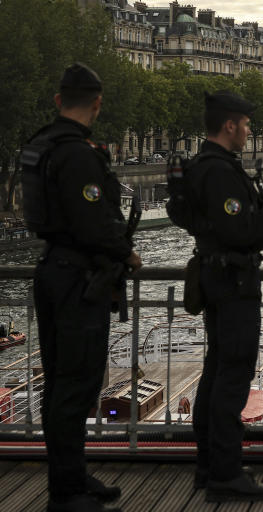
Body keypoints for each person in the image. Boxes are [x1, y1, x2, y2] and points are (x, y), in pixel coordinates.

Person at [22, 63, 142, 512]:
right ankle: (67, 492)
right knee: (77, 384)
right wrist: (127, 254)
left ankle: (70, 474)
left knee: (58, 382)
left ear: (57, 101)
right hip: (79, 280)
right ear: (97, 102)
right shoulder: (79, 155)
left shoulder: (40, 144)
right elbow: (95, 224)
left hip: (52, 269)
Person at [184, 91, 263, 503]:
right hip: (234, 281)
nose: (249, 130)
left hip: (213, 276)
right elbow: (238, 230)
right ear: (230, 125)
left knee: (215, 372)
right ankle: (225, 474)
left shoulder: (202, 167)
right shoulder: (221, 172)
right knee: (234, 375)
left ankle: (209, 465)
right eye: (246, 124)